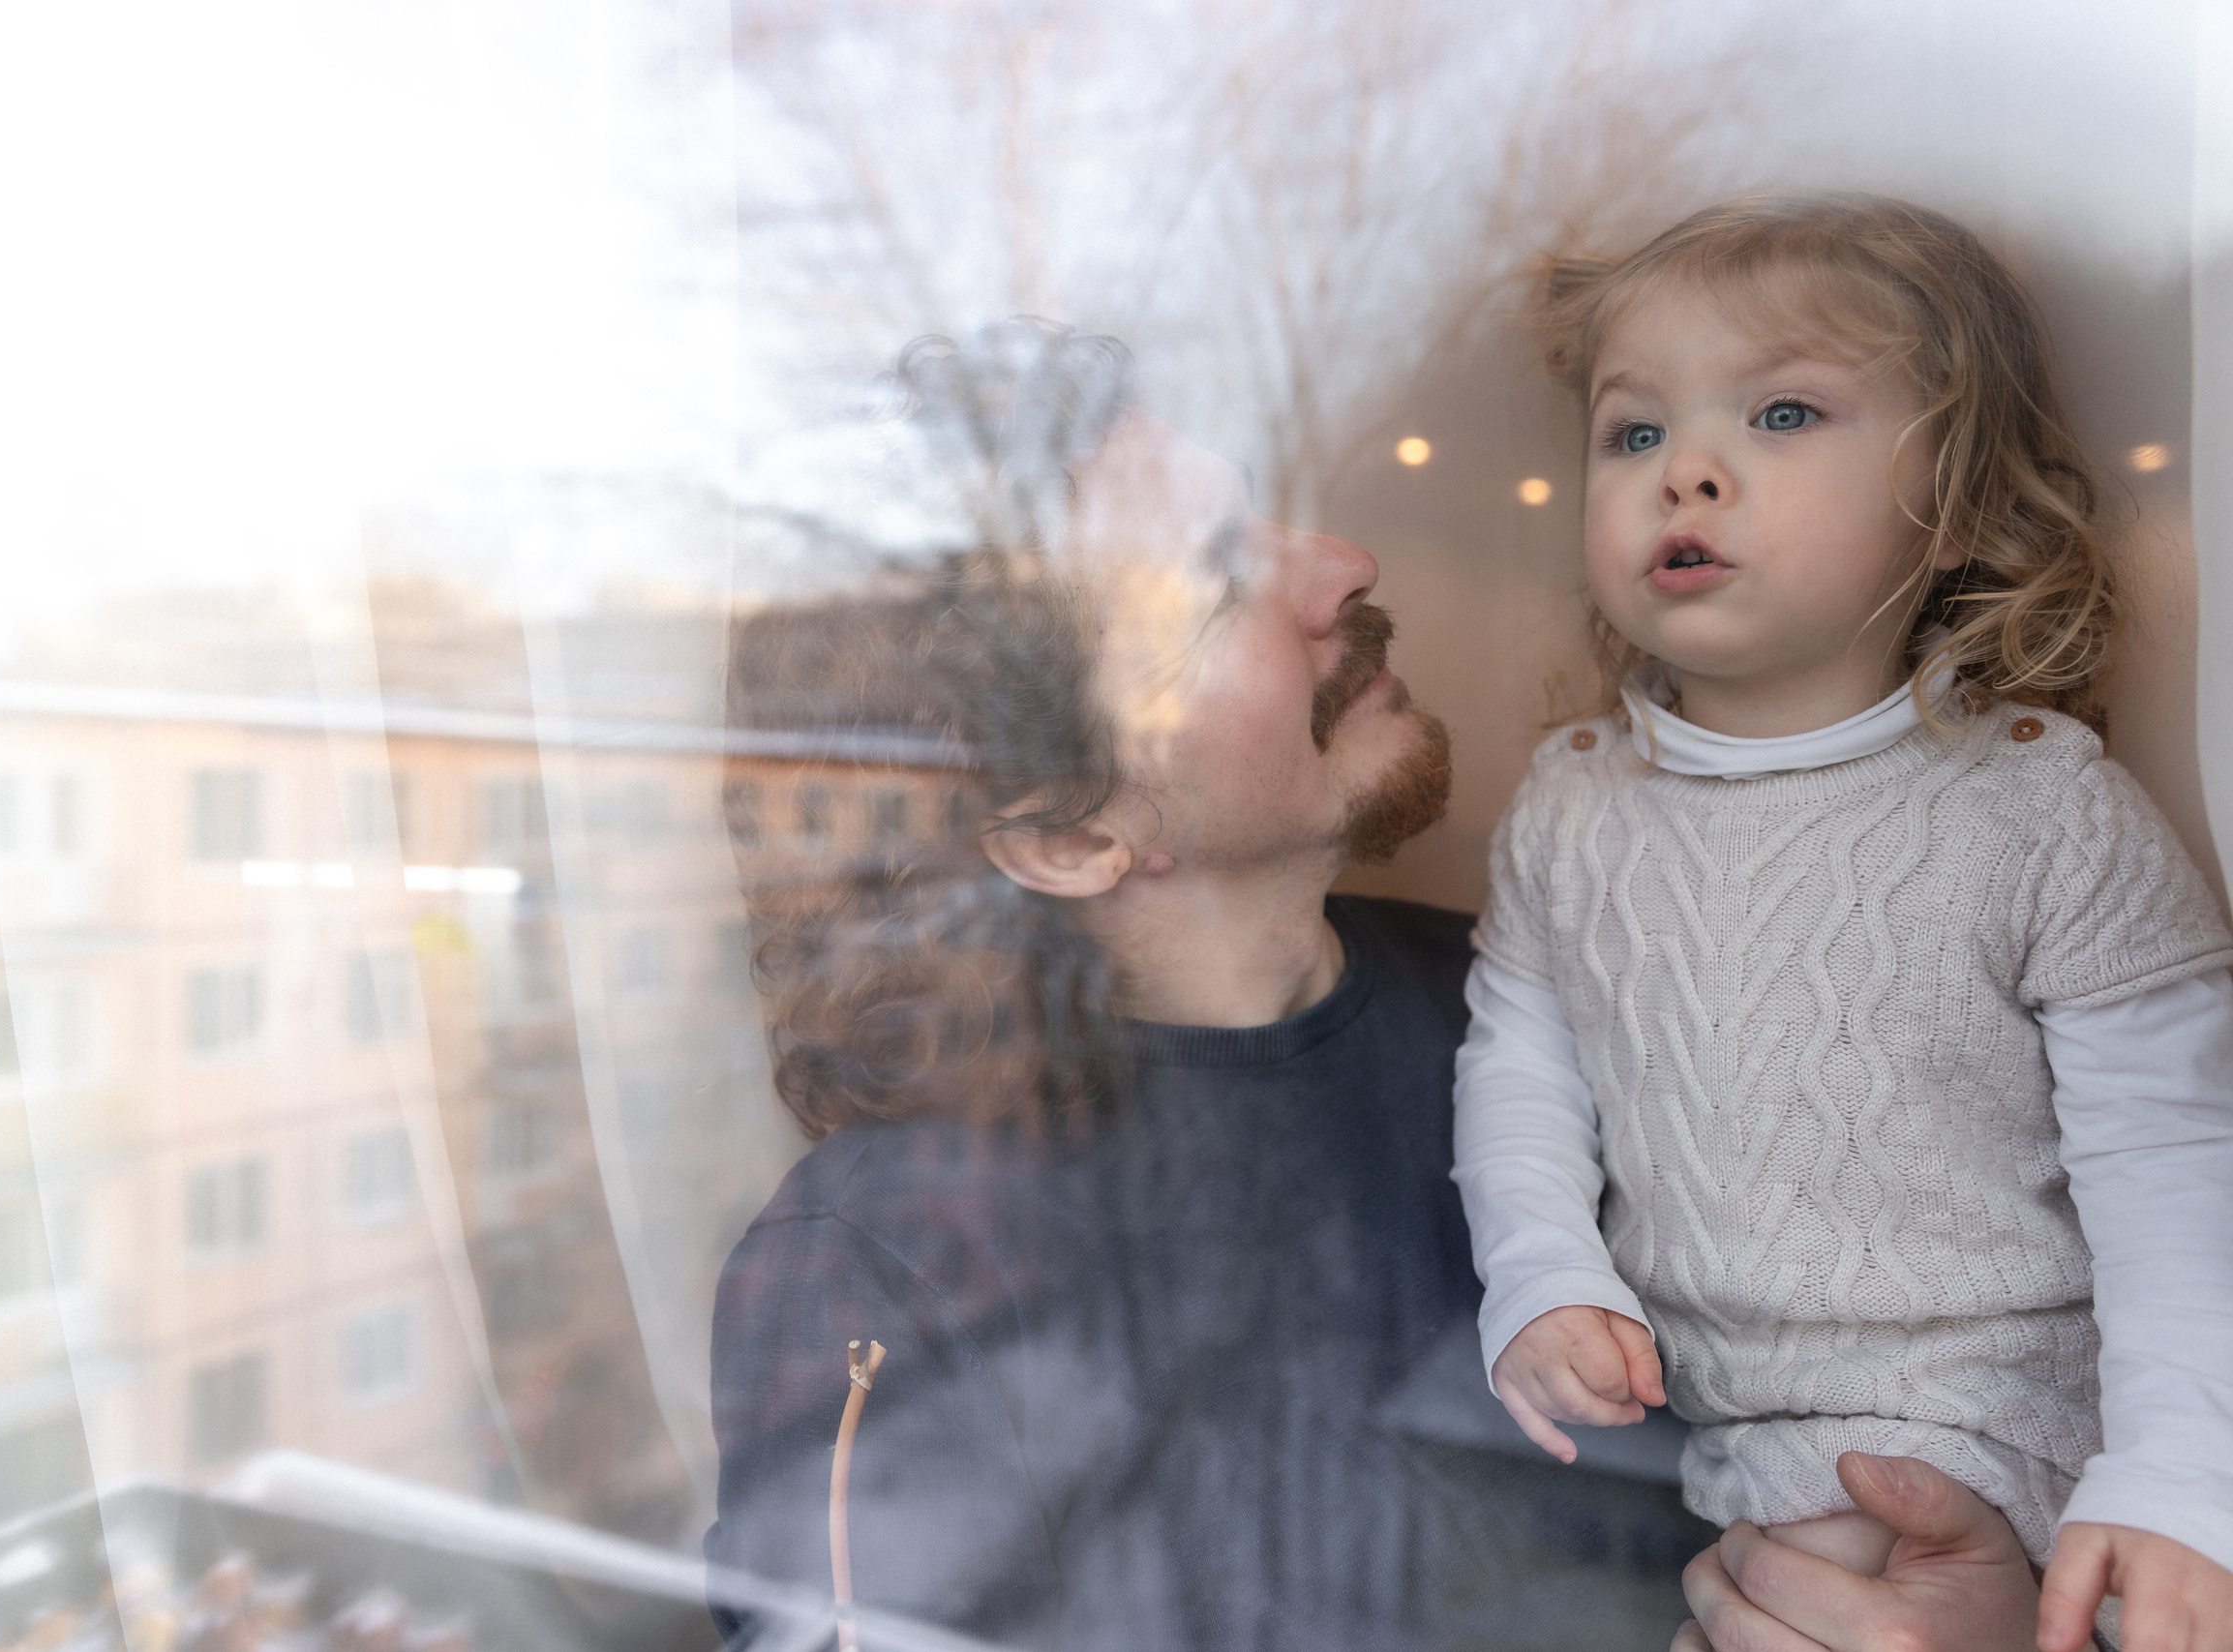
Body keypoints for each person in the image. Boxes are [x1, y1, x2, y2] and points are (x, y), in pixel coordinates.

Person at [707, 318, 2061, 1650]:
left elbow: (1877, 1382)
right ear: (1070, 835)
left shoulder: (1555, 998)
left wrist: (1968, 1605)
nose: (1343, 565)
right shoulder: (889, 1255)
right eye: (1212, 583)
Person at [1452, 195, 2233, 1652]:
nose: (1684, 472)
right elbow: (1520, 1071)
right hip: (1711, 1425)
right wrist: (1541, 1274)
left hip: (1993, 1426)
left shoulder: (2042, 809)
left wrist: (2187, 1479)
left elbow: (2177, 1161)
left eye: (1785, 413)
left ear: (1969, 506)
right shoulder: (1572, 806)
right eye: (1633, 434)